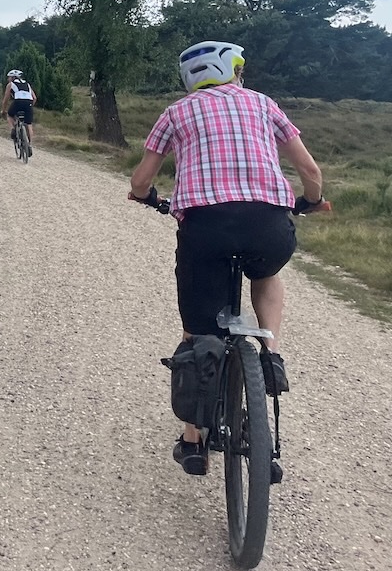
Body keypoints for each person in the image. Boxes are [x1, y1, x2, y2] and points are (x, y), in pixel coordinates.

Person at [129, 40, 324, 476]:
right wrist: (311, 200)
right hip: (267, 225)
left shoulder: (175, 113)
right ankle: (270, 353)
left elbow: (141, 180)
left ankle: (192, 442)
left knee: (198, 333)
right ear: (234, 70)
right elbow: (310, 172)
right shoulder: (264, 104)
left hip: (206, 229)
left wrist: (146, 196)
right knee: (266, 273)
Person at [1, 69, 37, 155]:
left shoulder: (10, 84)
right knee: (29, 124)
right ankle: (29, 145)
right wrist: (30, 106)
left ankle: (13, 129)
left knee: (10, 115)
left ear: (13, 77)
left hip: (18, 102)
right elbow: (34, 98)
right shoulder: (27, 84)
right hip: (28, 102)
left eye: (9, 77)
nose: (8, 79)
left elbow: (6, 99)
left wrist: (3, 110)